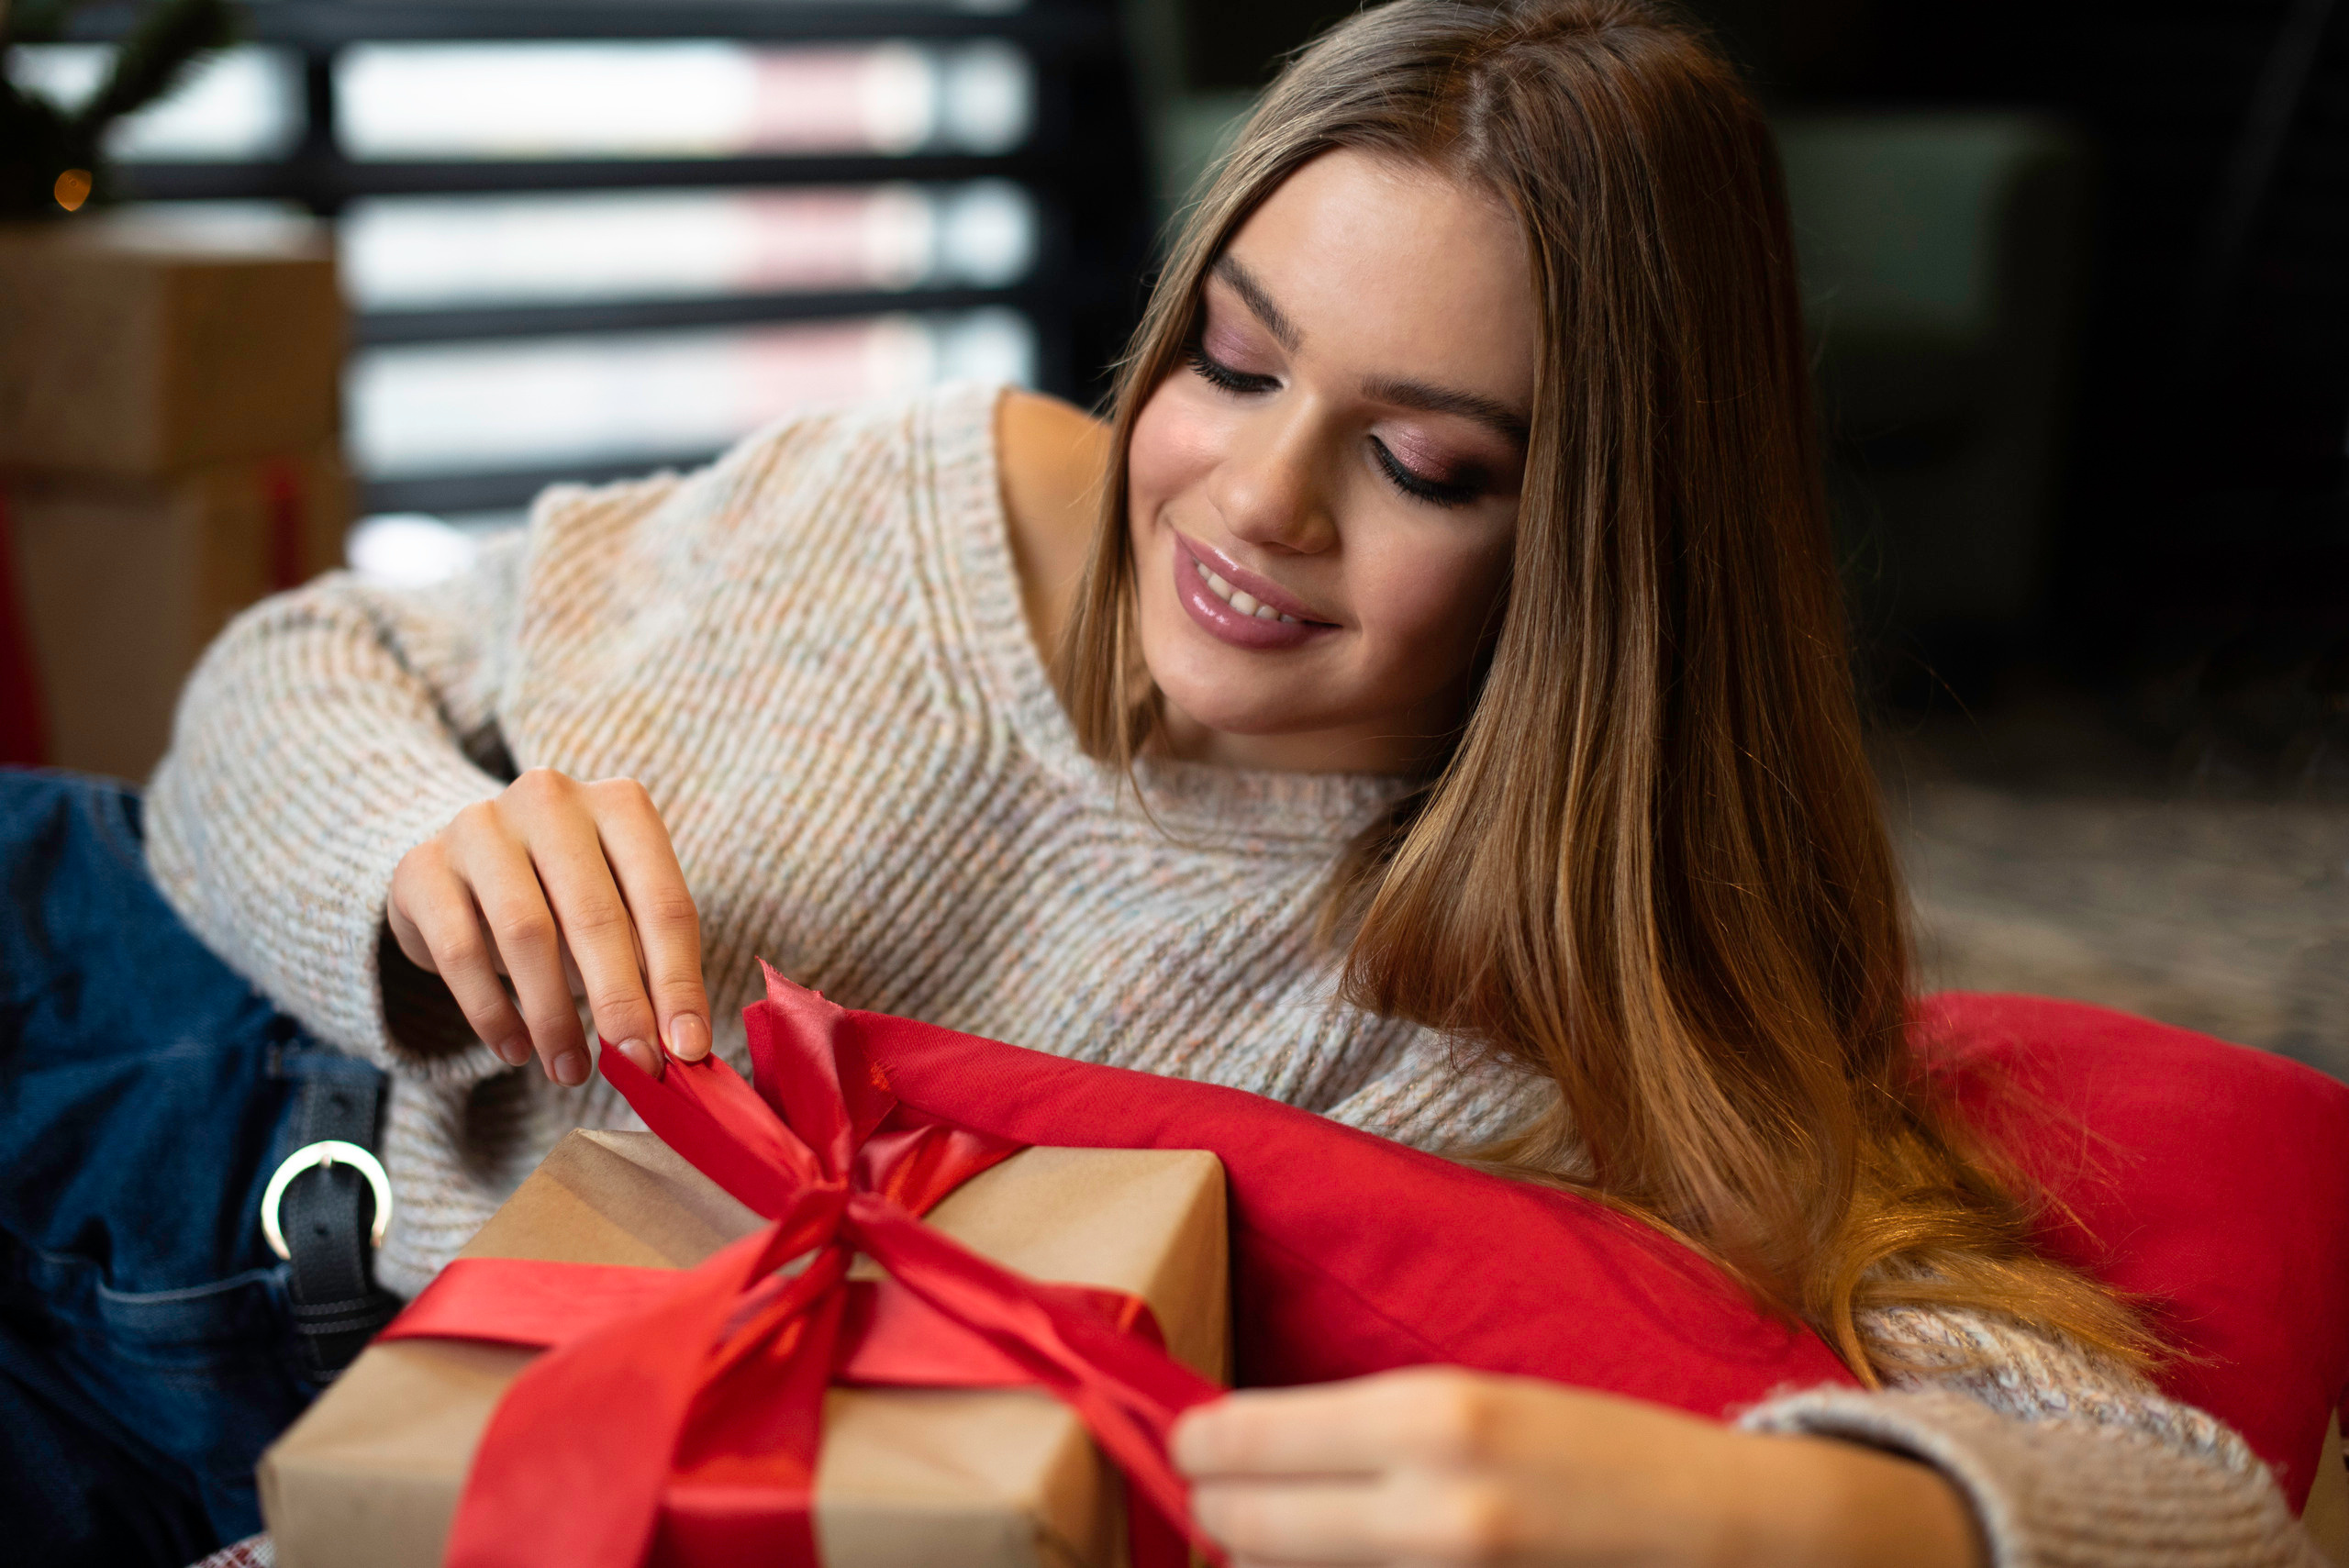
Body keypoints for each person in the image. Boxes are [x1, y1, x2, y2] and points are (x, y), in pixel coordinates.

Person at [0, 0, 2319, 1563]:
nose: (1245, 500)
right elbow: (297, 667)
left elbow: (2176, 1494)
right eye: (1231, 357)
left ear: (1606, 557)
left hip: (297, 1381)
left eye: (1420, 462)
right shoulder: (927, 500)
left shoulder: (1566, 1004)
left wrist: (1810, 1520)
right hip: (106, 979)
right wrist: (415, 857)